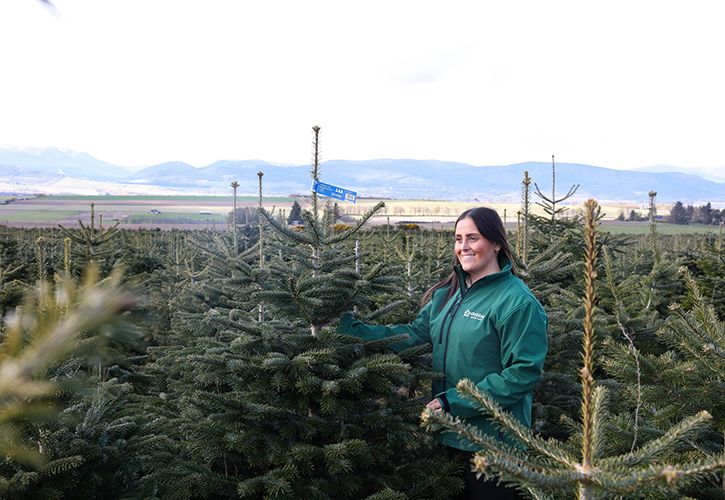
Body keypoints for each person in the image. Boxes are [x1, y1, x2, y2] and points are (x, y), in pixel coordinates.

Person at [339, 207, 548, 499]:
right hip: (448, 435)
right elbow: (412, 335)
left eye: (473, 238)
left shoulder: (516, 302)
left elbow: (522, 373)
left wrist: (452, 402)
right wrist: (350, 331)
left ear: (496, 243)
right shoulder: (448, 295)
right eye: (458, 238)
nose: (463, 246)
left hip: (493, 445)